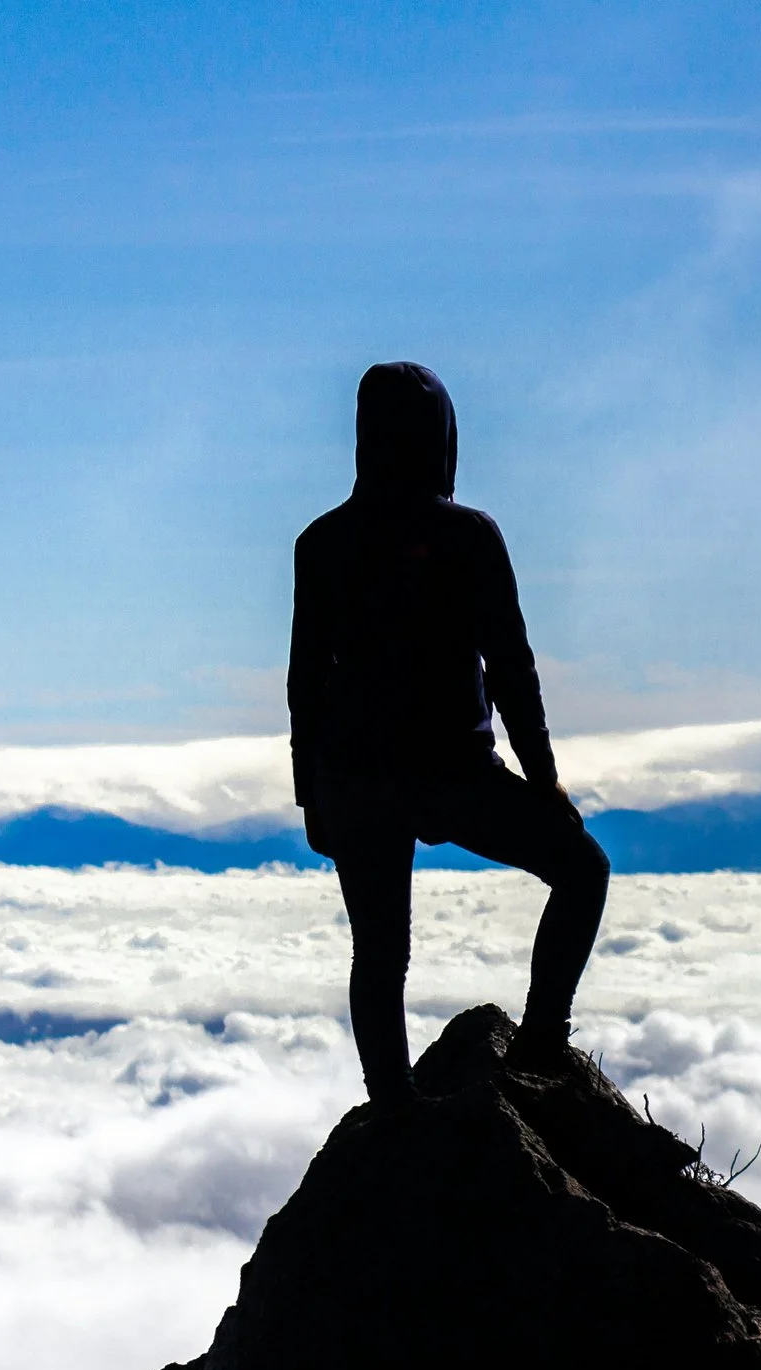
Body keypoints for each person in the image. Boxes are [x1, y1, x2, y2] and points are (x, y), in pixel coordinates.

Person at [288, 361, 610, 1105]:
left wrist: (314, 798)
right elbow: (511, 665)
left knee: (379, 954)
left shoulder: (322, 543)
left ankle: (391, 1108)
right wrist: (542, 776)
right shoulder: (466, 534)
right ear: (441, 437)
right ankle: (539, 1046)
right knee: (583, 869)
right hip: (452, 774)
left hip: (356, 780)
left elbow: (306, 683)